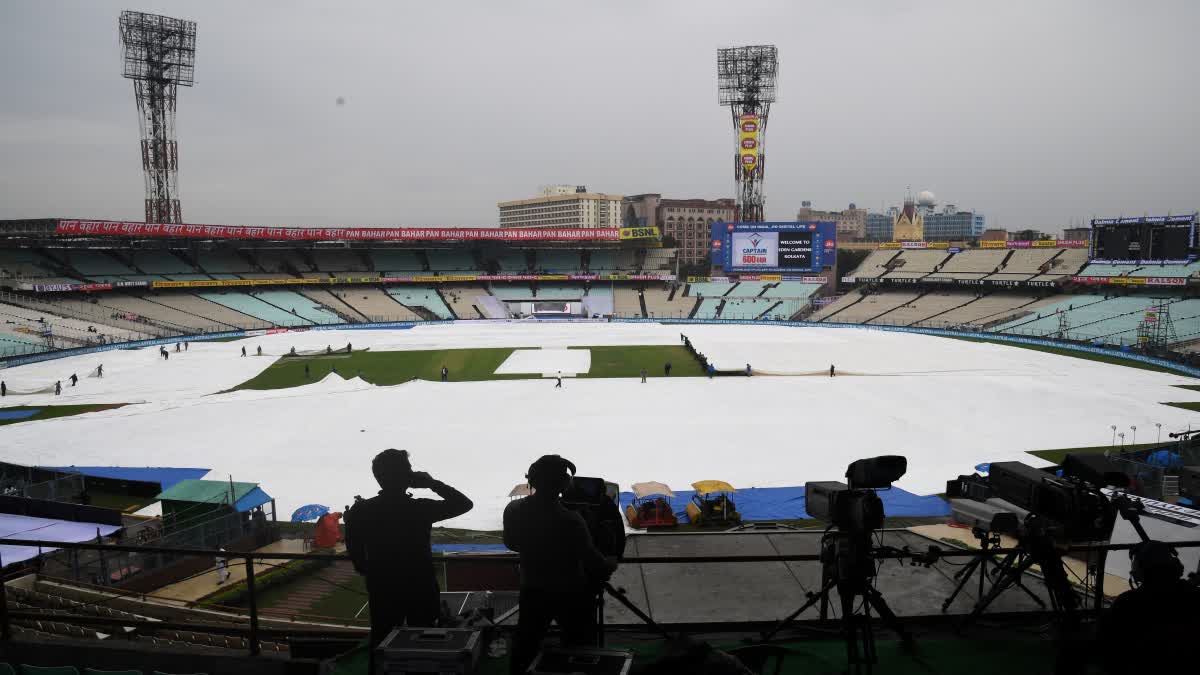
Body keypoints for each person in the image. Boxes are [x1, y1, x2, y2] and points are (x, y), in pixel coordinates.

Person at [346, 449, 473, 663]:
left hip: (383, 585)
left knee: (381, 640)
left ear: (378, 477)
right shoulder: (419, 508)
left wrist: (369, 571)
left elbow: (355, 551)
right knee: (423, 641)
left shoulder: (362, 510)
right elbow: (464, 504)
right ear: (407, 476)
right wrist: (432, 483)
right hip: (420, 585)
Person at [503, 455, 618, 675]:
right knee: (580, 649)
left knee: (525, 647)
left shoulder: (513, 510)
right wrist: (610, 562)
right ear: (562, 483)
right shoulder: (571, 520)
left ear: (533, 479)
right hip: (571, 592)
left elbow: (511, 543)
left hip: (532, 589)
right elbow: (593, 560)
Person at [1099, 540, 1200, 673]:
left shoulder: (1126, 603)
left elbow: (1107, 649)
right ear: (1177, 567)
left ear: (1139, 573)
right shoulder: (1193, 596)